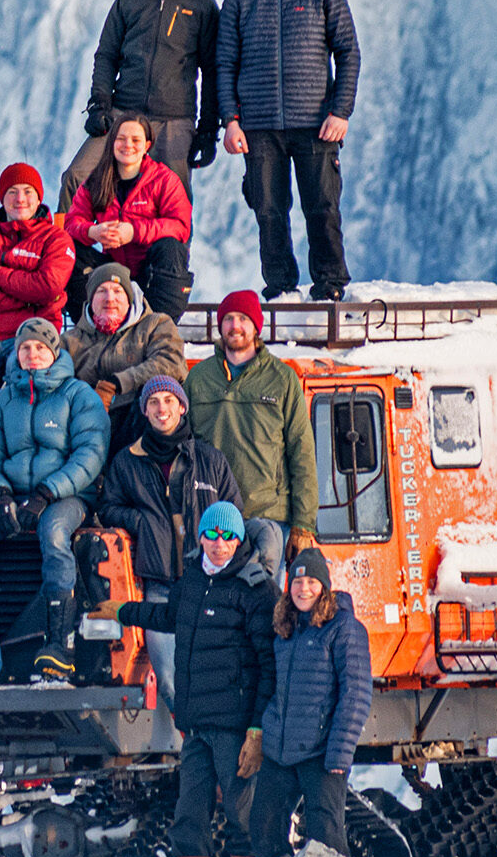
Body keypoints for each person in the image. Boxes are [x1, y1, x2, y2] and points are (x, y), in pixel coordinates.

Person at [97, 502, 277, 857]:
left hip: (235, 729)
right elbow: (169, 617)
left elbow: (270, 666)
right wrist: (124, 611)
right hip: (195, 727)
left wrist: (257, 730)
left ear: (239, 540)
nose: (219, 543)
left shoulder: (256, 589)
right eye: (212, 534)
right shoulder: (194, 578)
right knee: (189, 820)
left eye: (228, 536)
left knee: (244, 820)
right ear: (201, 537)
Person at [0, 318, 109, 680]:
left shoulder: (78, 395)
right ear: (16, 355)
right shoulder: (2, 400)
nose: (32, 354)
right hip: (13, 493)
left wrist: (47, 492)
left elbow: (91, 454)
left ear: (54, 352)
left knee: (54, 534)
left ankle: (60, 642)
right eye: (25, 348)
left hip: (67, 495)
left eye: (40, 347)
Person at [215, 0, 359, 301]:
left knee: (322, 208)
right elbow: (224, 63)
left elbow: (348, 52)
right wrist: (230, 120)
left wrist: (340, 111)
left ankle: (329, 287)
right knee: (269, 212)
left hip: (316, 124)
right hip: (258, 126)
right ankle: (280, 290)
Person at [95, 376, 243, 696]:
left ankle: (204, 729)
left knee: (212, 676)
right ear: (145, 411)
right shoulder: (126, 461)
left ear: (182, 407)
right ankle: (185, 729)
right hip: (159, 584)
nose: (162, 408)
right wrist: (141, 520)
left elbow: (234, 513)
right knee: (168, 679)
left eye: (168, 400)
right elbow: (107, 508)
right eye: (153, 402)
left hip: (207, 584)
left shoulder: (210, 459)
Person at [64, 0, 218, 222]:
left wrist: (208, 129)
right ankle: (67, 248)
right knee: (76, 177)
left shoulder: (202, 6)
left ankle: (172, 256)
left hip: (174, 119)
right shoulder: (129, 1)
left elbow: (213, 70)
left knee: (175, 199)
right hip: (123, 112)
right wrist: (99, 105)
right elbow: (106, 55)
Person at [250, 549, 371, 857]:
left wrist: (339, 754)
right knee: (262, 826)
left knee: (326, 838)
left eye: (312, 582)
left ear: (325, 587)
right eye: (297, 582)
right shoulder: (285, 630)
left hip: (321, 753)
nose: (303, 589)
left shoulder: (344, 628)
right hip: (281, 753)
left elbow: (357, 694)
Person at [183, 291, 315, 580]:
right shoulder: (199, 378)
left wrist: (303, 525)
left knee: (263, 599)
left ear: (256, 327)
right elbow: (183, 447)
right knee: (214, 601)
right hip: (214, 519)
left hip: (268, 516)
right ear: (220, 326)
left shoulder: (282, 378)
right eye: (228, 319)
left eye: (243, 318)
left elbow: (301, 451)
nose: (235, 326)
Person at [0, 164, 75, 399]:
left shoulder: (55, 239)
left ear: (39, 198)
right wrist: (28, 300)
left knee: (21, 391)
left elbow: (48, 286)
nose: (20, 199)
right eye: (12, 192)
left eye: (28, 191)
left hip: (34, 339)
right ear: (2, 198)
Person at [65, 115, 194, 320]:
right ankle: (89, 324)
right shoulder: (97, 181)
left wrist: (133, 231)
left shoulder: (164, 179)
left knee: (171, 248)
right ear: (112, 142)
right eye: (121, 139)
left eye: (135, 140)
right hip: (112, 270)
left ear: (147, 146)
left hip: (152, 271)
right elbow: (72, 222)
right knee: (69, 249)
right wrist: (93, 231)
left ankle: (158, 325)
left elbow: (180, 226)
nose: (128, 145)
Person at [60, 264, 185, 454]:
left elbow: (170, 363)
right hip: (88, 421)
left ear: (129, 298)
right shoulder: (70, 340)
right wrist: (86, 397)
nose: (110, 298)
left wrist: (117, 383)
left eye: (117, 291)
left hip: (140, 422)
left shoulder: (156, 324)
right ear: (90, 299)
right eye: (101, 291)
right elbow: (56, 377)